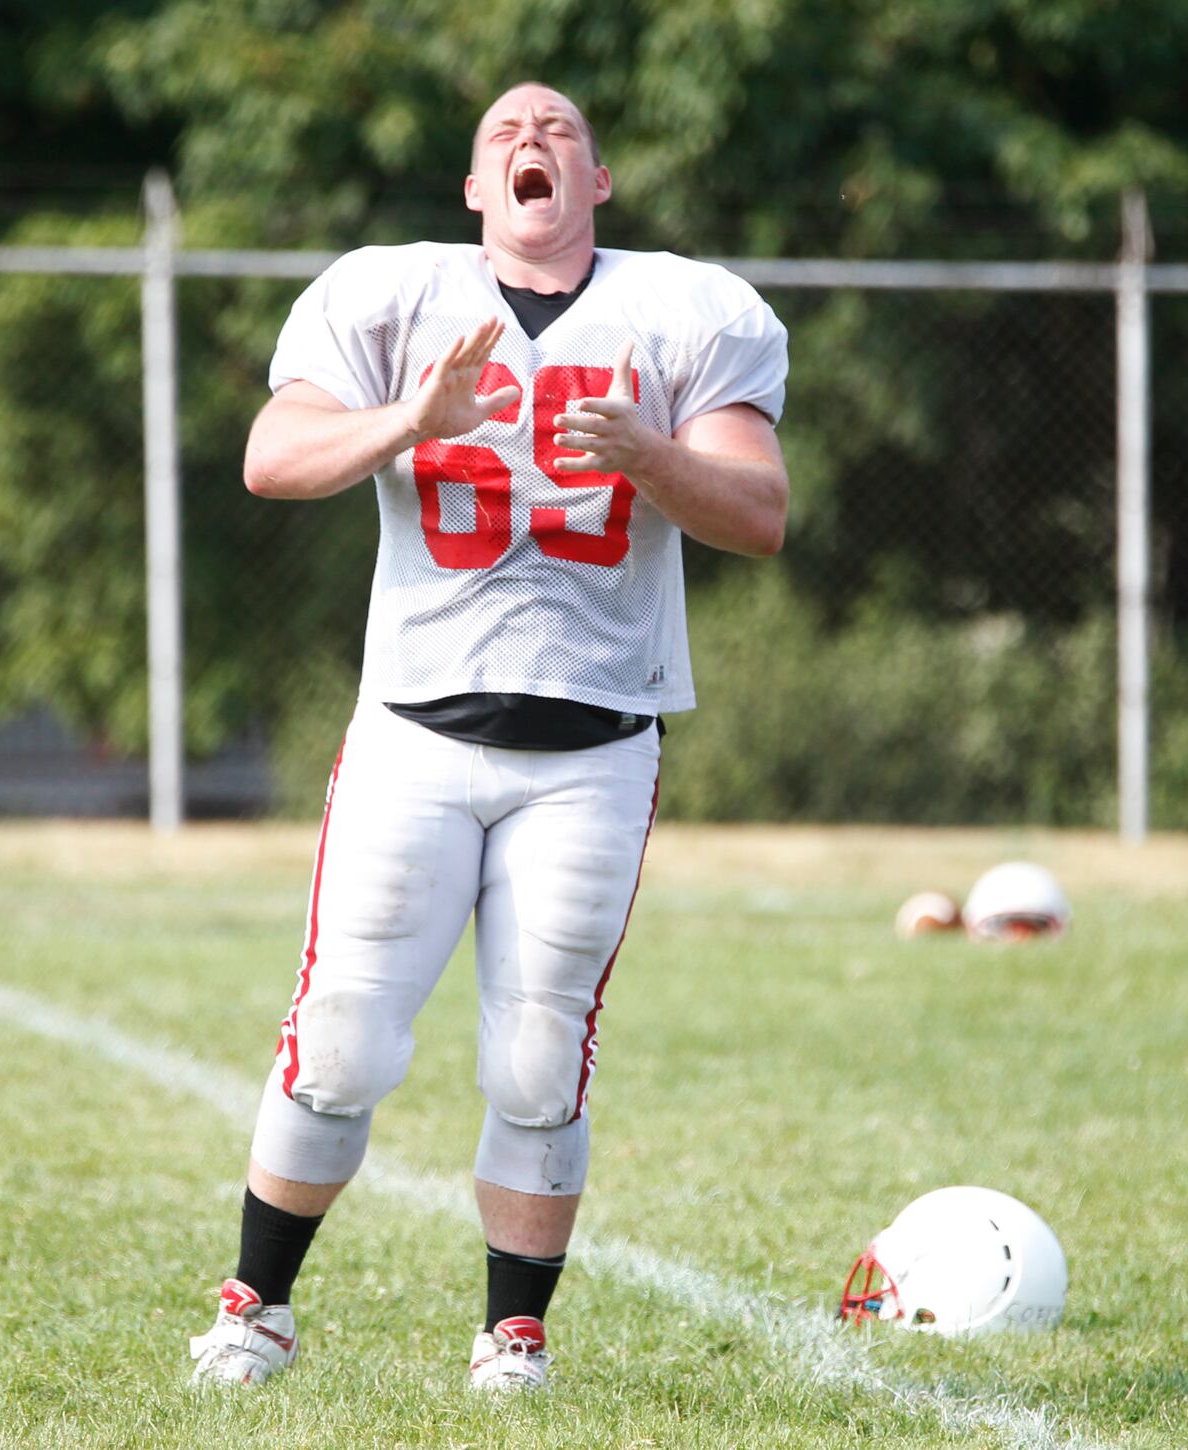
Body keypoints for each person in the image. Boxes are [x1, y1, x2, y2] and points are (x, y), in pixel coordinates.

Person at [188, 82, 789, 1391]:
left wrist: (649, 456)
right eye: (506, 135)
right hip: (415, 726)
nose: (533, 143)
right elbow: (272, 457)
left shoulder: (690, 308)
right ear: (474, 190)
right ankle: (256, 1305)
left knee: (536, 1055)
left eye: (561, 132)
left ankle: (513, 1331)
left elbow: (759, 512)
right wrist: (411, 419)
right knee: (341, 1032)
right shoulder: (391, 293)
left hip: (594, 738)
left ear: (602, 180)